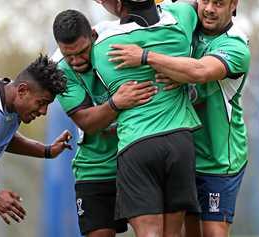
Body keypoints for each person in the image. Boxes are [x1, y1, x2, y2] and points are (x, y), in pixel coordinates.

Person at [107, 0, 250, 236]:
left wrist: (146, 56)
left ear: (233, 5)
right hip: (183, 152)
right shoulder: (185, 25)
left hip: (220, 159)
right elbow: (146, 12)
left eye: (219, 3)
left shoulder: (235, 45)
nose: (210, 9)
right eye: (205, 1)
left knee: (213, 233)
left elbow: (199, 71)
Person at [89, 0, 202, 236]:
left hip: (136, 144)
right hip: (179, 140)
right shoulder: (180, 24)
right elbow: (194, 5)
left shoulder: (103, 47)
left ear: (119, 4)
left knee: (149, 233)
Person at [52, 9, 157, 237]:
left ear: (92, 35)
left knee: (153, 231)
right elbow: (87, 122)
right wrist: (116, 103)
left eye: (81, 52)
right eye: (68, 55)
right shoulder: (59, 70)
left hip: (136, 158)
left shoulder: (119, 39)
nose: (76, 61)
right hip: (95, 167)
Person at [0, 54, 72, 225]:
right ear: (22, 90)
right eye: (41, 103)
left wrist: (47, 151)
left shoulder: (10, 103)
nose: (44, 111)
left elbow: (2, 136)